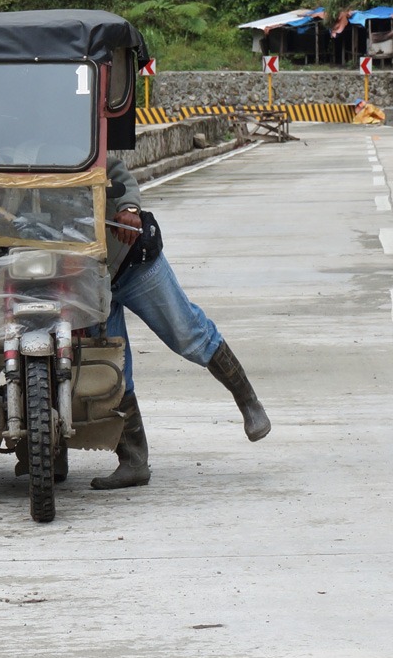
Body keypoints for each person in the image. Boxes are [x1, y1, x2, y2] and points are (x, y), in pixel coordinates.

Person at [91, 154, 270, 489]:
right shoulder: (8, 164)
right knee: (110, 370)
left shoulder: (79, 146)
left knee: (188, 333)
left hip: (129, 260)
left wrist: (128, 209)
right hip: (84, 278)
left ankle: (248, 401)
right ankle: (133, 460)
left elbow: (119, 174)